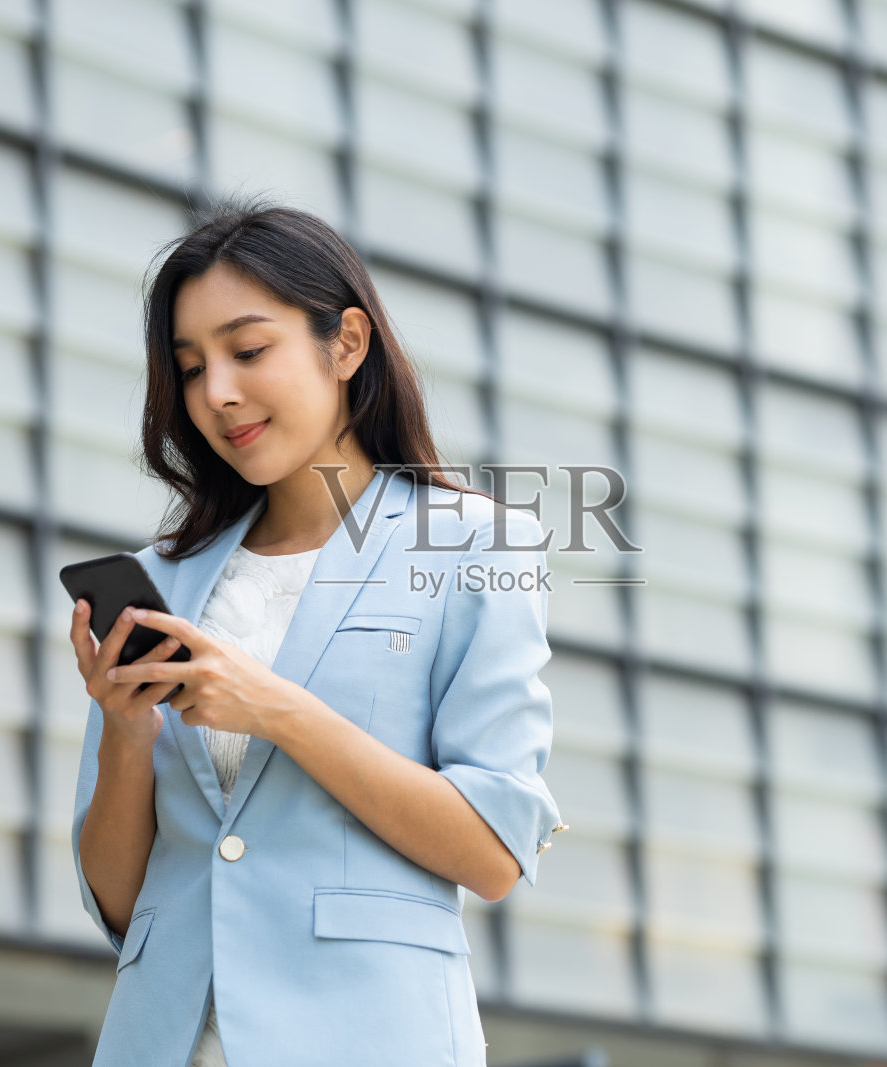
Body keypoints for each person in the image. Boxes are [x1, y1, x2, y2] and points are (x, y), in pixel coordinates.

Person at [68, 194, 565, 1066]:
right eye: (190, 368)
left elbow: (492, 852)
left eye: (248, 350)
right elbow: (120, 902)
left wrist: (275, 709)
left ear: (346, 343)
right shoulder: (167, 579)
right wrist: (124, 729)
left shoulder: (472, 545)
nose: (217, 393)